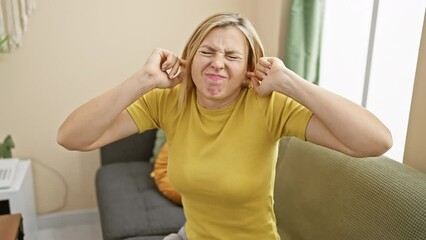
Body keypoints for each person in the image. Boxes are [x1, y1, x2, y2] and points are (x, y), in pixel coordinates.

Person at [57, 12, 392, 240]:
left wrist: (289, 81)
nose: (217, 63)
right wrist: (143, 80)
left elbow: (376, 141)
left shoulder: (269, 105)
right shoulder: (169, 100)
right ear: (190, 57)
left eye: (232, 56)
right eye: (207, 51)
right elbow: (72, 137)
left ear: (249, 67)